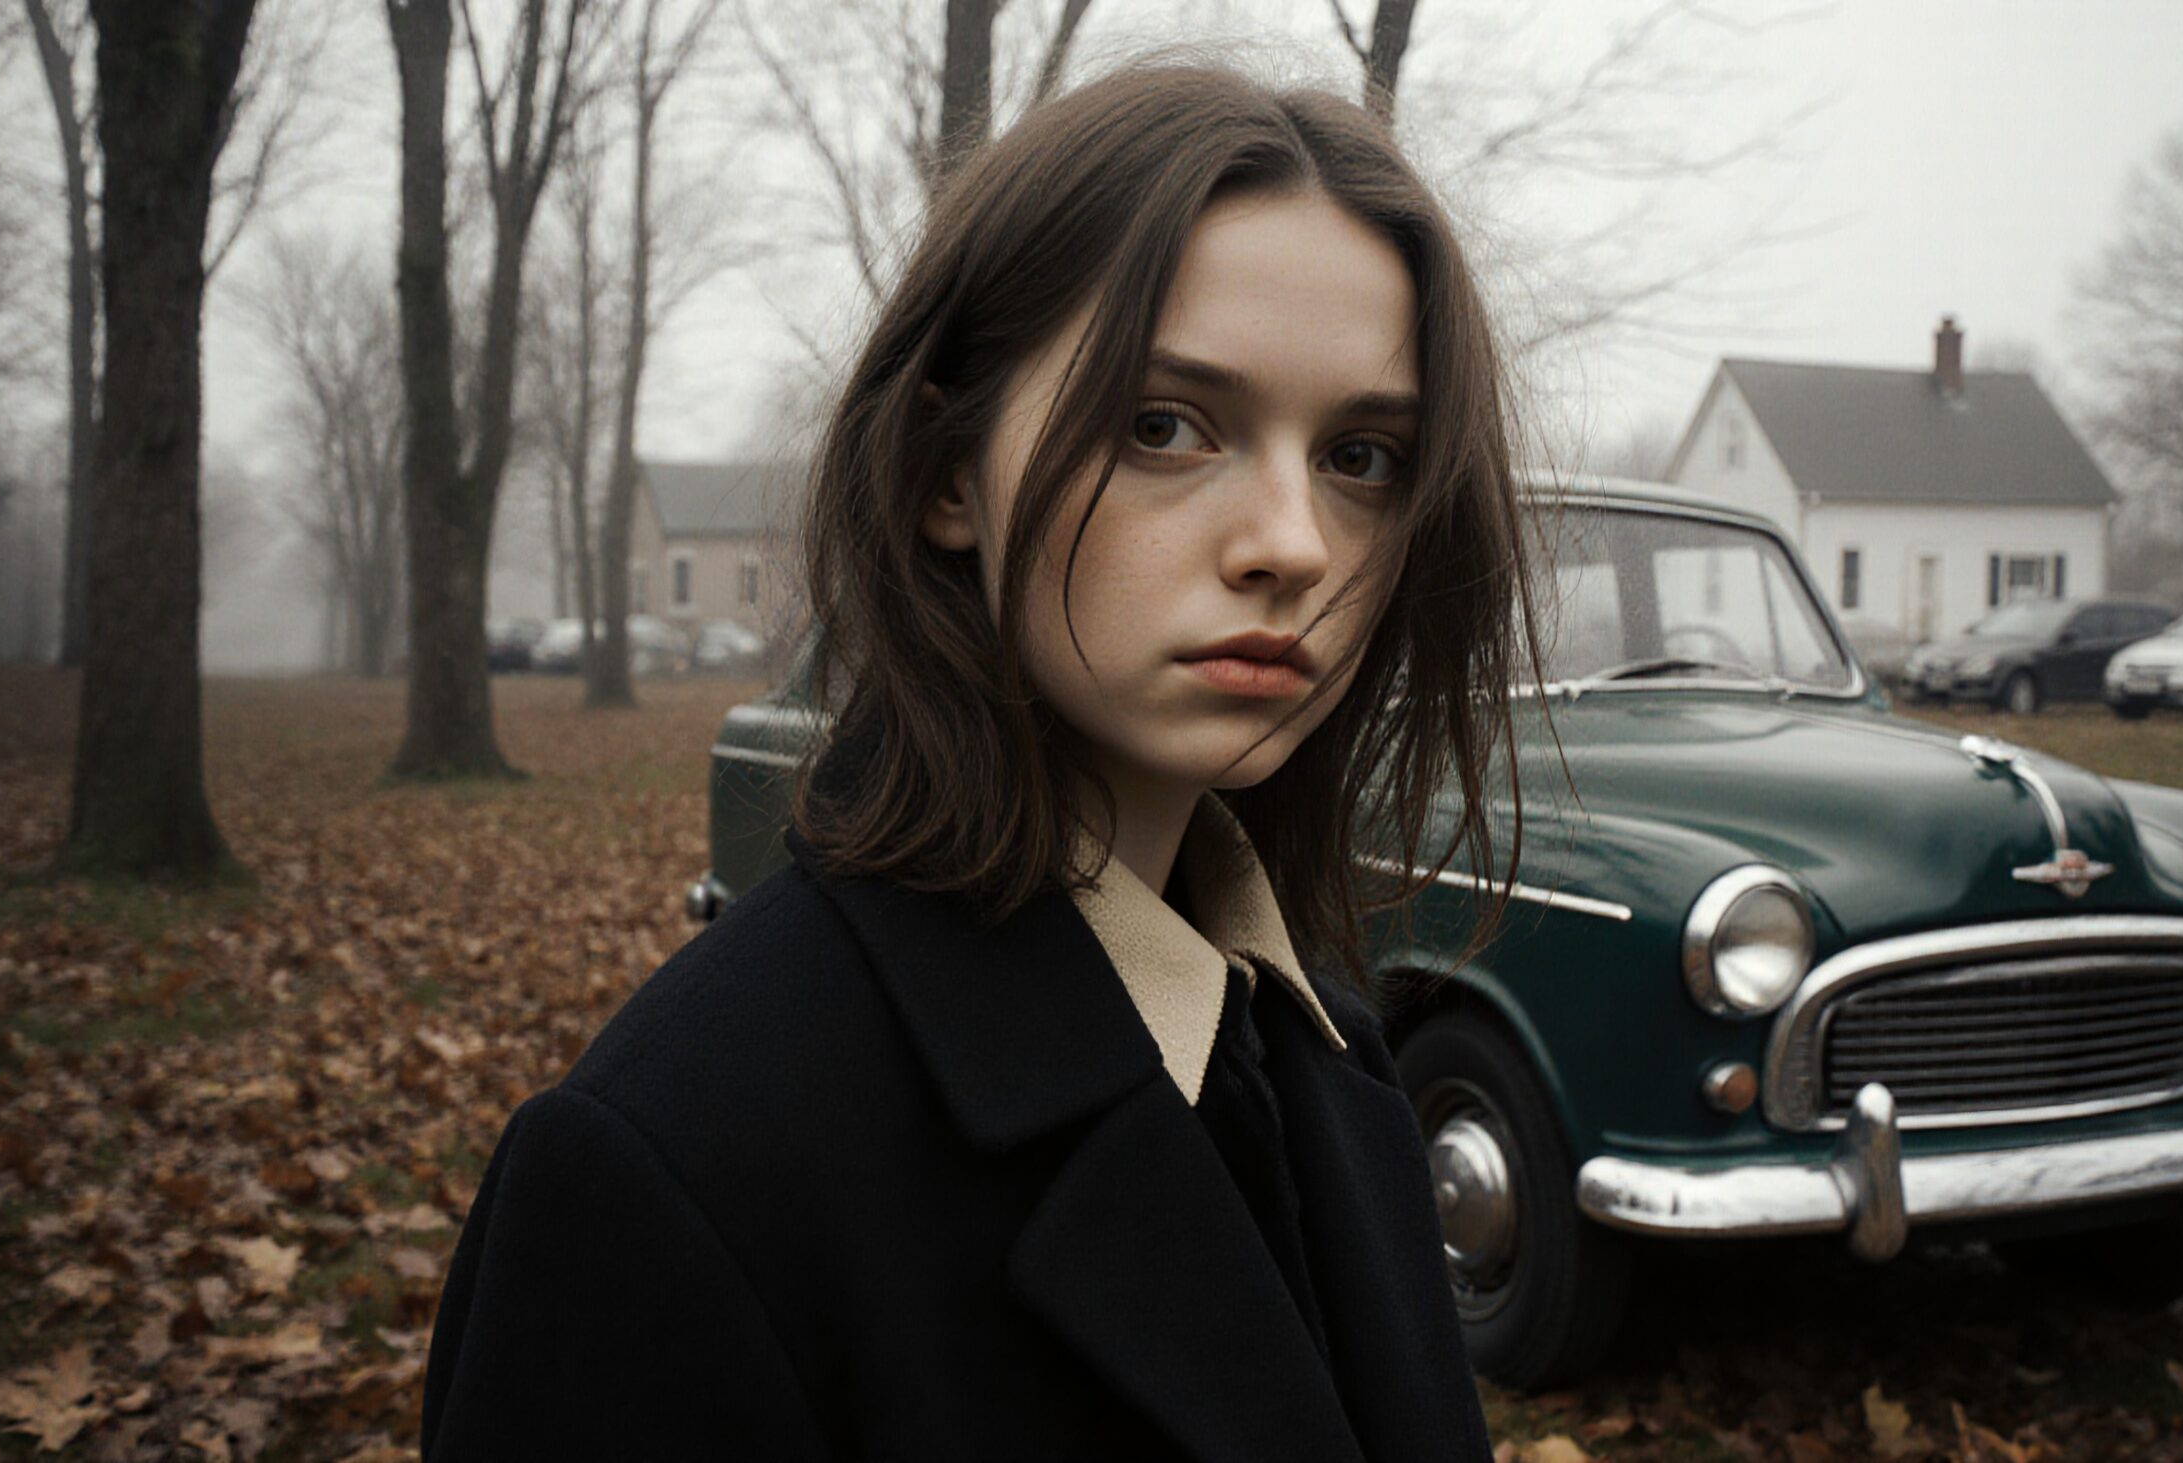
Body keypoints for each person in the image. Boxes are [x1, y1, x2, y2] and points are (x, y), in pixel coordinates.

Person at [420, 58, 1542, 1462]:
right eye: (1165, 426)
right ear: (951, 467)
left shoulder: (1327, 1049)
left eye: (1363, 456)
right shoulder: (675, 1166)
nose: (1296, 544)